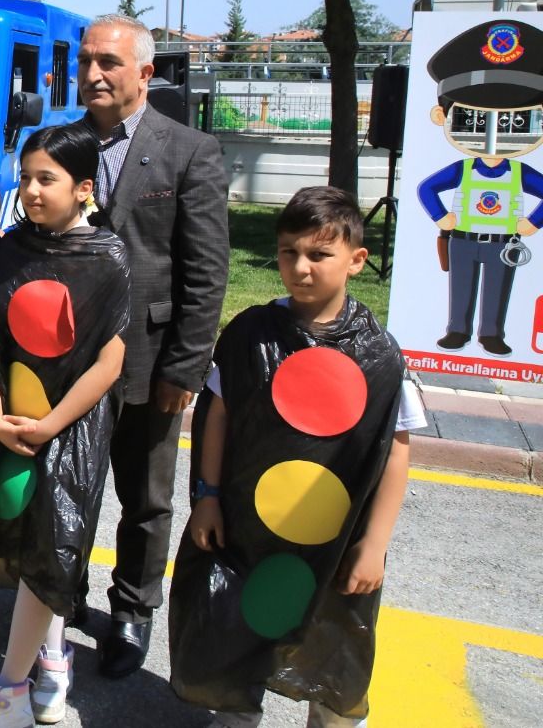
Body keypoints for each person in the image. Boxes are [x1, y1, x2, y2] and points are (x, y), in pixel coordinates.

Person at [170, 187, 421, 728]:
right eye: (288, 253)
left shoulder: (380, 354)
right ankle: (237, 712)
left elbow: (396, 452)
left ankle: (329, 717)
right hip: (247, 524)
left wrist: (373, 545)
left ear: (357, 260)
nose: (300, 267)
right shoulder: (250, 334)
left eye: (318, 255)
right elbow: (219, 416)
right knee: (236, 621)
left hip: (335, 538)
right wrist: (208, 498)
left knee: (333, 635)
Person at [0, 124, 130, 728]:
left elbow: (110, 359)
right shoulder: (12, 247)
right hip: (11, 420)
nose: (30, 190)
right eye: (24, 177)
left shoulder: (105, 257)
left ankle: (9, 690)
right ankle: (51, 659)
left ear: (83, 189)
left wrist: (51, 423)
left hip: (67, 428)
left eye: (46, 179)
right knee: (28, 540)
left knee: (50, 545)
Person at [75, 14, 228, 677]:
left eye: (109, 62)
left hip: (150, 360)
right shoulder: (62, 143)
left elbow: (207, 272)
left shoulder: (189, 151)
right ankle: (62, 593)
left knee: (145, 501)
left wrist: (186, 368)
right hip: (68, 361)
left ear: (145, 72)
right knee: (70, 488)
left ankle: (132, 613)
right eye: (86, 60)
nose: (93, 73)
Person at [414, 18, 543, 356]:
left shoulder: (519, 171)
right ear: (442, 117)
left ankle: (491, 333)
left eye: (514, 121)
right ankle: (457, 329)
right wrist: (442, 217)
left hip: (503, 241)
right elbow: (428, 188)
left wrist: (533, 221)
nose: (494, 133)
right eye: (476, 120)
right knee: (461, 287)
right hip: (464, 239)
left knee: (498, 289)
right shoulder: (464, 168)